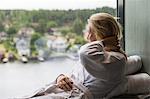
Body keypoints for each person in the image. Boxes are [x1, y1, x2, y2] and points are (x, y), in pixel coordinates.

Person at [25, 13, 150, 99]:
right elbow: (77, 73)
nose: (86, 34)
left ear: (98, 34)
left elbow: (84, 53)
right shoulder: (100, 55)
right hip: (64, 90)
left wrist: (104, 42)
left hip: (75, 96)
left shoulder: (116, 60)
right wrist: (61, 77)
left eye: (89, 30)